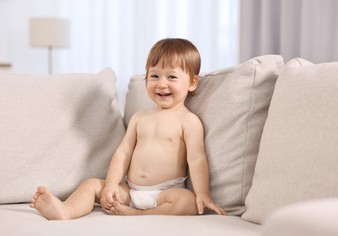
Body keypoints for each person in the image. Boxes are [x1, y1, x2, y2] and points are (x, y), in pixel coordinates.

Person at [30, 38, 227, 219]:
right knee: (91, 185)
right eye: (155, 75)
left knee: (188, 202)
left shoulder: (189, 121)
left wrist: (202, 194)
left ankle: (138, 214)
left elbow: (196, 159)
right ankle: (66, 210)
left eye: (172, 77)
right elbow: (123, 153)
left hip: (165, 194)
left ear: (192, 83)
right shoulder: (140, 117)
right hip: (130, 191)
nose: (161, 84)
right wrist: (111, 184)